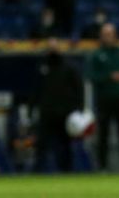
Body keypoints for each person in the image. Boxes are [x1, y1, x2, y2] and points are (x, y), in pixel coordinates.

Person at [85, 22, 119, 172]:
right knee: (103, 135)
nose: (108, 37)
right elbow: (91, 76)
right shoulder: (97, 55)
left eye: (110, 34)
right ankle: (102, 166)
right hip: (103, 99)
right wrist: (108, 77)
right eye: (105, 34)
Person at [32, 40, 84, 173]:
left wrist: (79, 108)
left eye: (54, 47)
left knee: (65, 145)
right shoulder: (42, 67)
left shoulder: (69, 67)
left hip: (65, 113)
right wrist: (31, 108)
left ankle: (67, 171)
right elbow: (35, 90)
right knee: (42, 144)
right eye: (50, 48)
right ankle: (38, 171)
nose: (52, 50)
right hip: (47, 112)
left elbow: (78, 88)